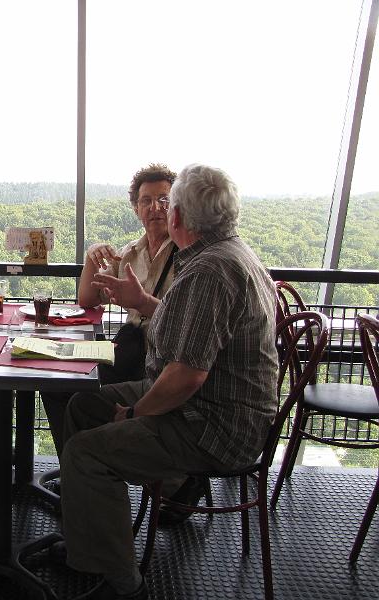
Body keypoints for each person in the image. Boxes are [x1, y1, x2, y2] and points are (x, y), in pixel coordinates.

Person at [57, 164, 279, 600]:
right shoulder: (226, 255)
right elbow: (198, 334)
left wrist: (135, 413)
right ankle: (90, 539)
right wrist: (141, 301)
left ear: (177, 217)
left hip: (214, 423)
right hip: (214, 404)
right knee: (83, 408)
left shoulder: (208, 272)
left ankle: (121, 582)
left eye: (167, 203)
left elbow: (186, 377)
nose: (160, 210)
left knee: (86, 453)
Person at [0, 164, 177, 470]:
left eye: (164, 200)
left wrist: (141, 302)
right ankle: (75, 468)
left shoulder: (187, 255)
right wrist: (92, 255)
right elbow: (87, 299)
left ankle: (80, 469)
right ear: (135, 208)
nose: (155, 208)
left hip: (158, 361)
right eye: (146, 201)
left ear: (177, 205)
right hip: (127, 354)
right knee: (56, 379)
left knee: (63, 388)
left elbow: (184, 319)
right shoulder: (131, 253)